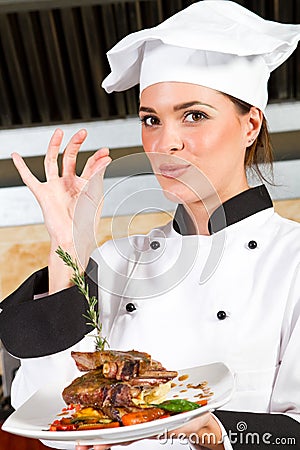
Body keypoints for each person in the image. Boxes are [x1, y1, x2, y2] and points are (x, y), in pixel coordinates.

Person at [1, 1, 300, 449]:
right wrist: (67, 245)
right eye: (150, 120)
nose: (165, 142)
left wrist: (210, 429)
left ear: (250, 124)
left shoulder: (292, 259)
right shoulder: (114, 261)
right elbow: (38, 409)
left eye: (194, 115)